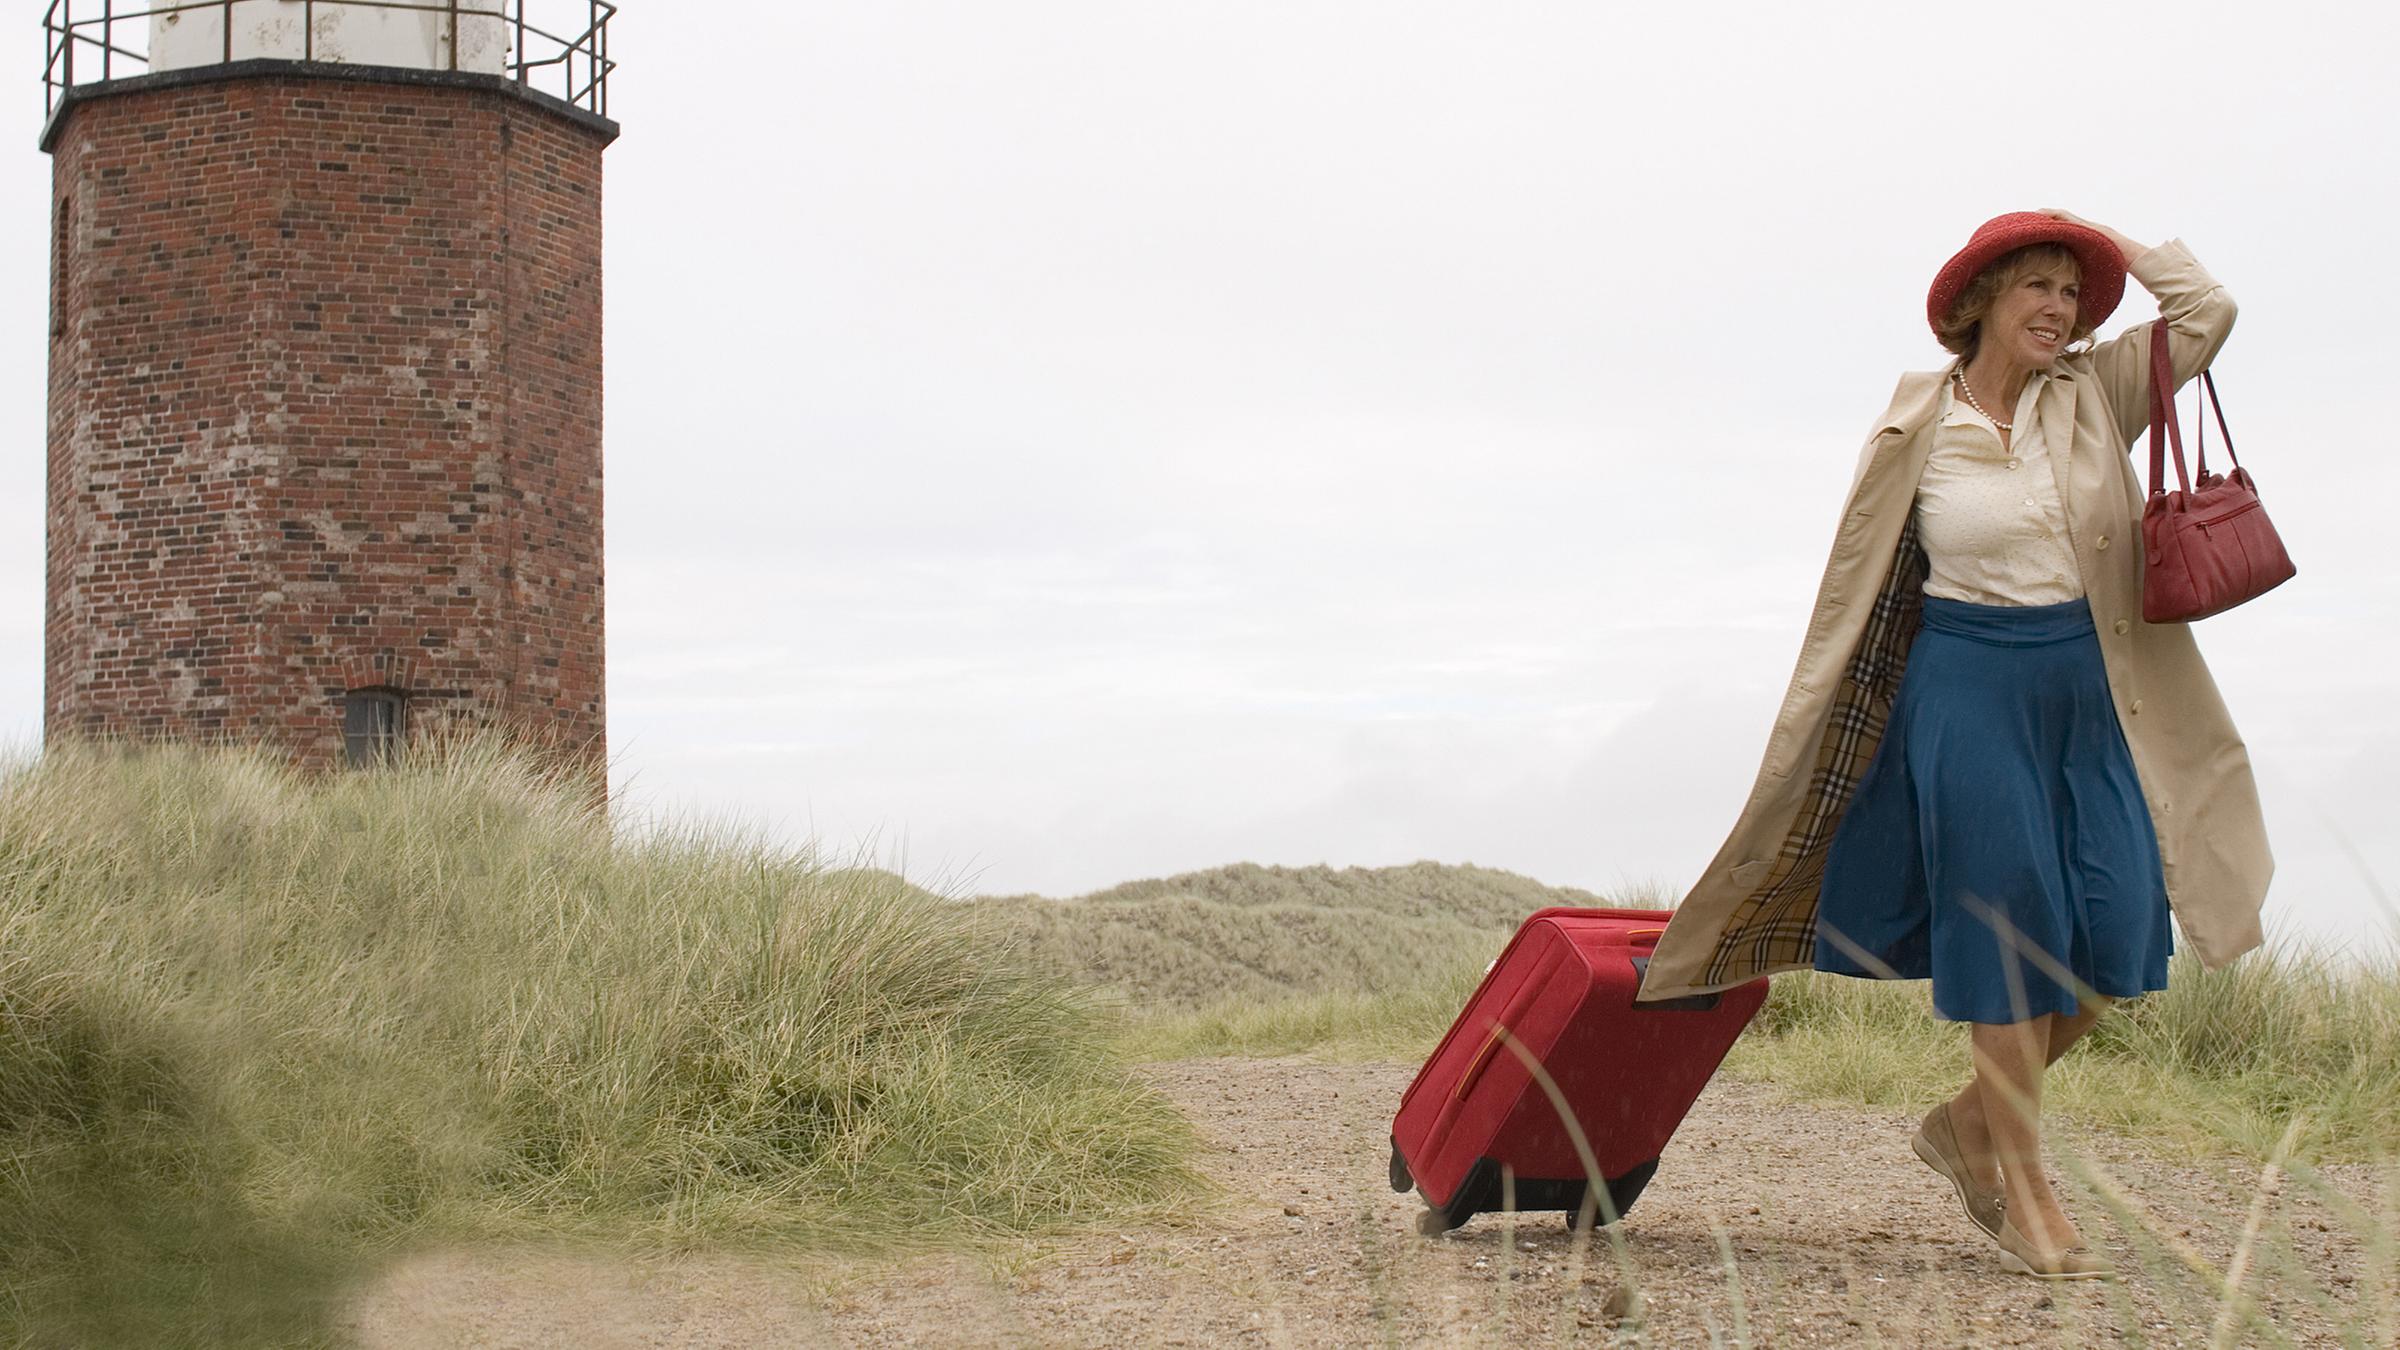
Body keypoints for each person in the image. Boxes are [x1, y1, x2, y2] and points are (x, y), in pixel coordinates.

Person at [1634, 210, 2273, 1281]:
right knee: (2009, 935)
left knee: (2118, 933)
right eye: (2036, 287)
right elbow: (1862, 578)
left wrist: (2107, 237)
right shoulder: (1916, 422)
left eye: (2071, 293)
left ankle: (1969, 1126)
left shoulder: (2095, 391)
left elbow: (2209, 313)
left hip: (2088, 689)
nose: (2058, 309)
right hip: (1966, 689)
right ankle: (2026, 1194)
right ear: (1977, 305)